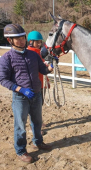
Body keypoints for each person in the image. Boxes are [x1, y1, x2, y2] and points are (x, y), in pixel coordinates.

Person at [0, 24, 54, 163]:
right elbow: (2, 79)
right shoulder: (7, 58)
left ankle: (38, 142)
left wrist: (50, 67)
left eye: (22, 37)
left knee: (37, 122)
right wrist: (20, 89)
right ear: (10, 41)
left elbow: (43, 69)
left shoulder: (33, 55)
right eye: (17, 39)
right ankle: (21, 150)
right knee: (20, 126)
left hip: (36, 94)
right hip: (20, 98)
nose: (21, 41)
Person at [27, 31, 50, 135]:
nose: (40, 44)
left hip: (40, 83)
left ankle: (38, 123)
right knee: (34, 107)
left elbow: (42, 68)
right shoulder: (30, 53)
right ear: (31, 42)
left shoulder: (38, 52)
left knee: (39, 105)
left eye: (40, 42)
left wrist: (47, 81)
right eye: (38, 42)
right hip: (33, 84)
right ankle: (33, 128)